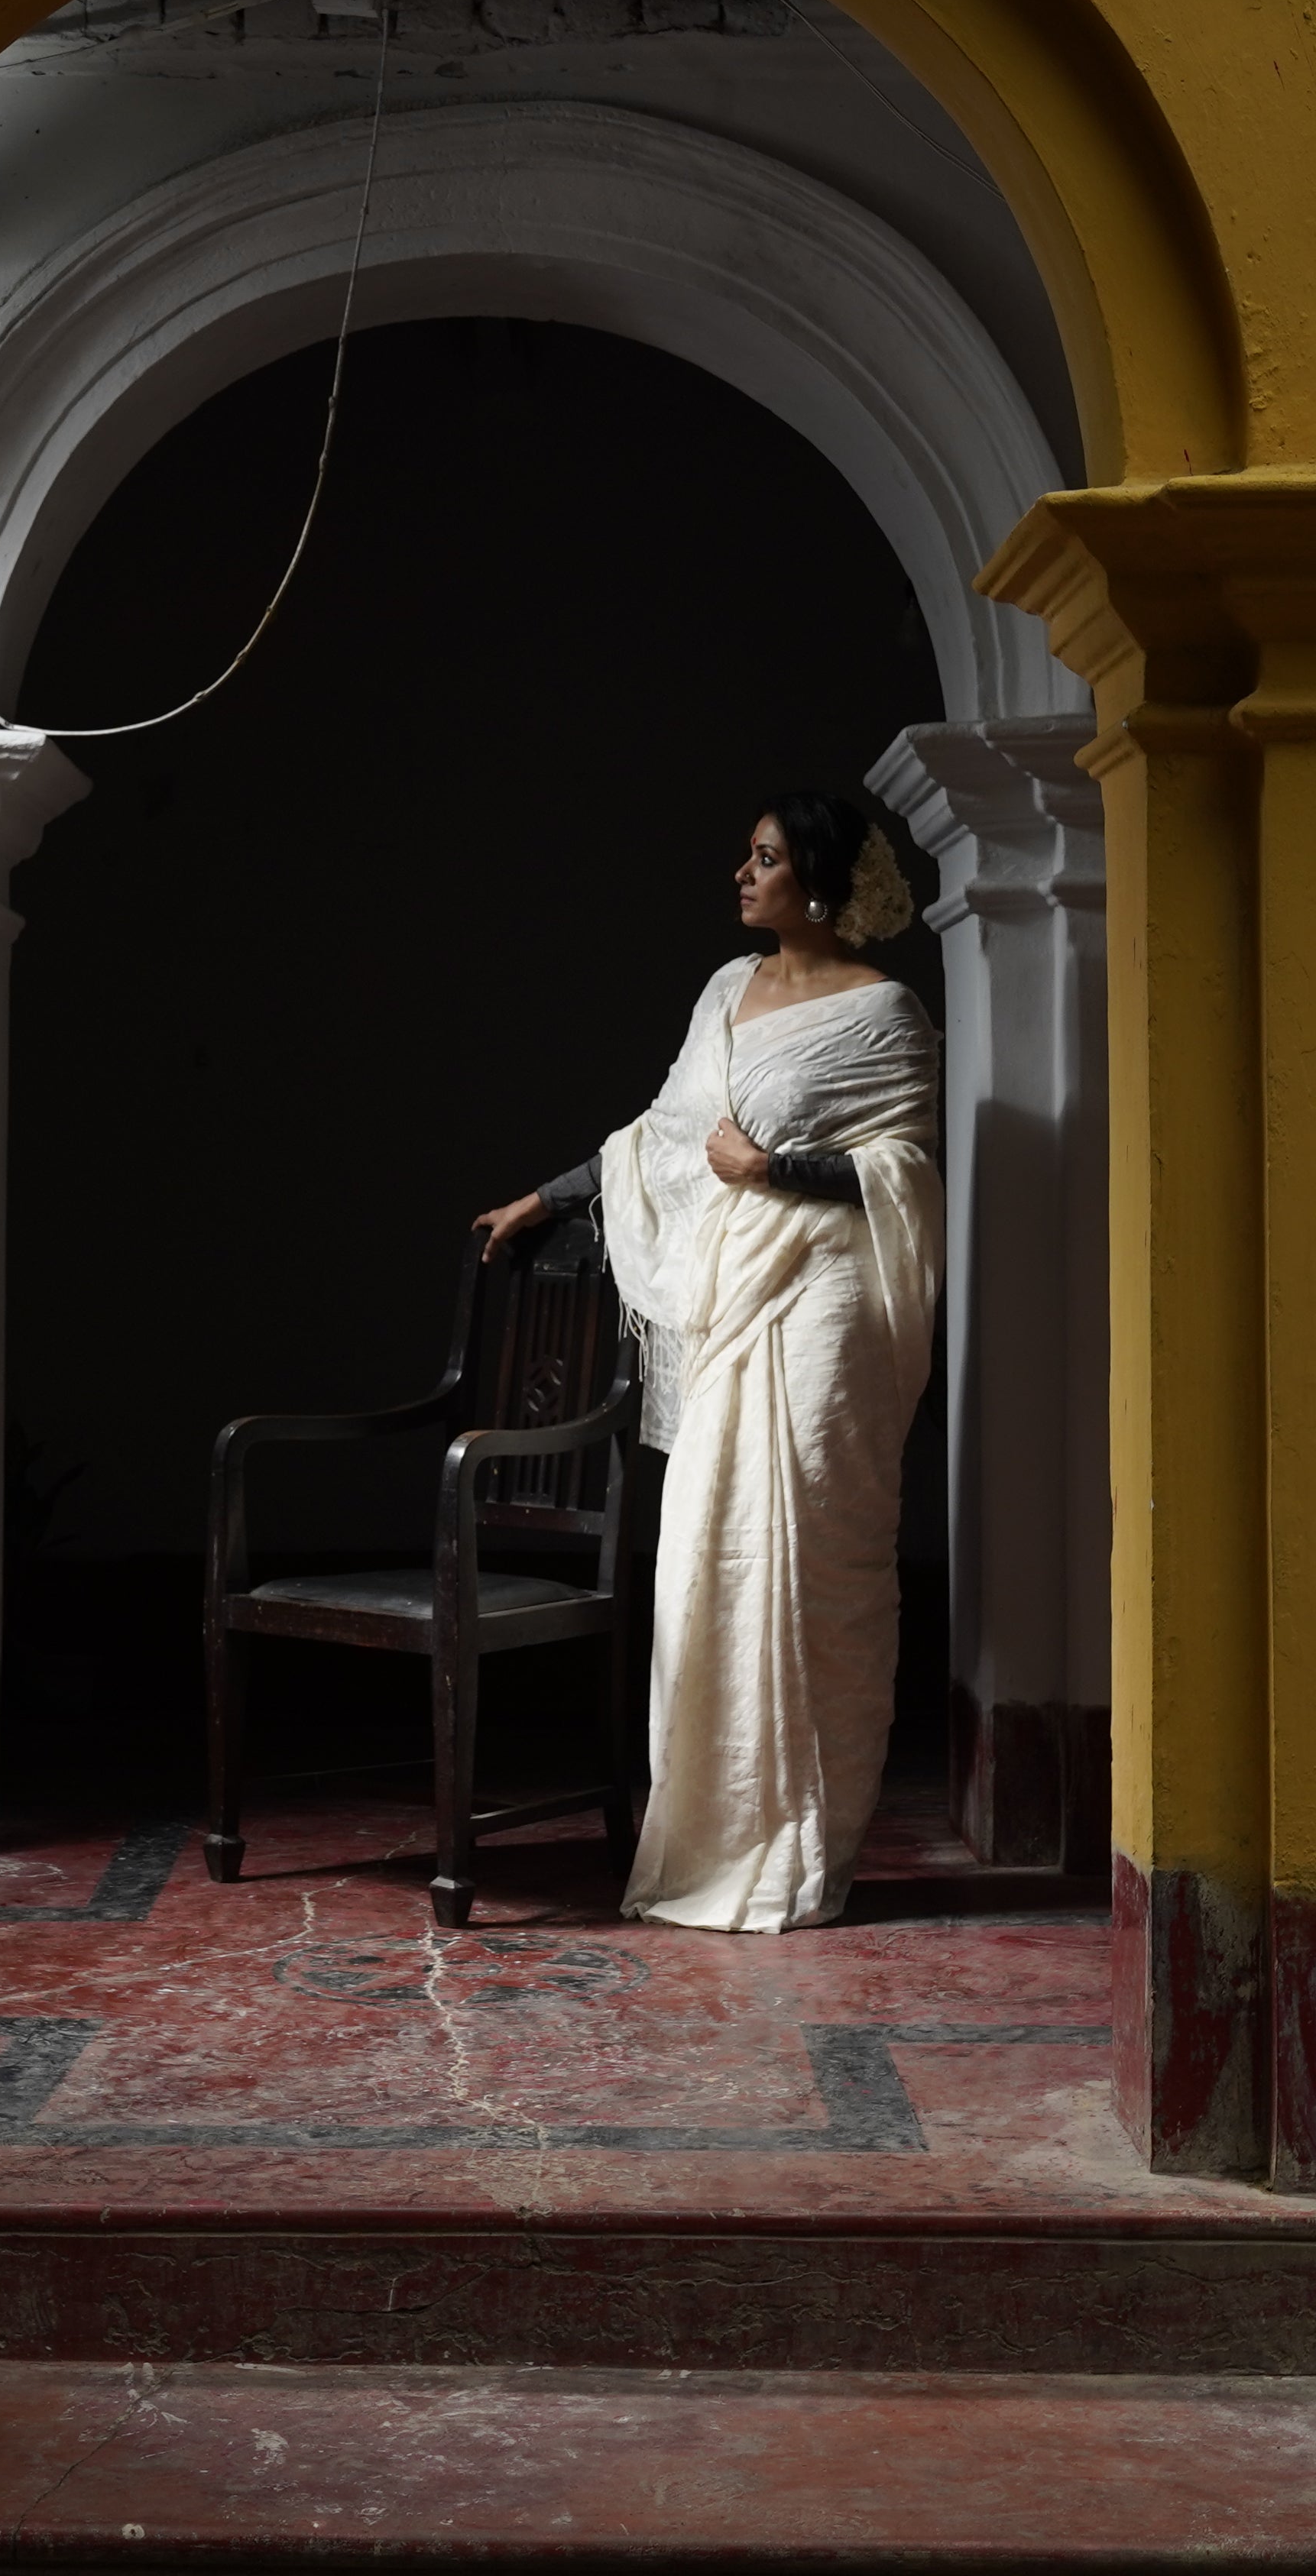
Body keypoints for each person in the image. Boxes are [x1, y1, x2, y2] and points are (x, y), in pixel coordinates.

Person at [473, 792, 942, 1933]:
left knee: (814, 1560)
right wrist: (547, 1197)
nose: (742, 872)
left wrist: (777, 1170)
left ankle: (806, 1856)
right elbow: (663, 1138)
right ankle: (709, 1841)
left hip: (825, 1305)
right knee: (704, 1564)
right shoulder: (725, 992)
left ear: (818, 884)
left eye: (767, 858)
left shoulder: (886, 1015)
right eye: (748, 853)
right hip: (735, 1306)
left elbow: (910, 1173)